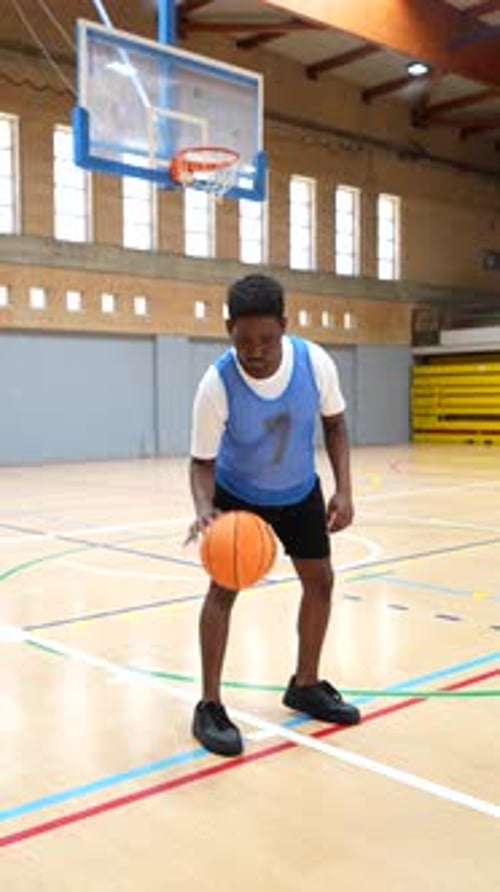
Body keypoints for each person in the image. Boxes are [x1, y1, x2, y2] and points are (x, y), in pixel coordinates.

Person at [187, 274, 360, 757]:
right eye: (244, 340)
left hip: (300, 490)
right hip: (239, 493)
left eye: (266, 339)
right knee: (222, 592)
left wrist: (344, 489)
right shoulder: (216, 384)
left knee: (320, 582)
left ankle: (305, 684)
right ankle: (209, 705)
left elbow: (335, 425)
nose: (256, 351)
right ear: (229, 330)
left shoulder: (315, 363)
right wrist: (205, 510)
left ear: (284, 325)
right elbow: (201, 462)